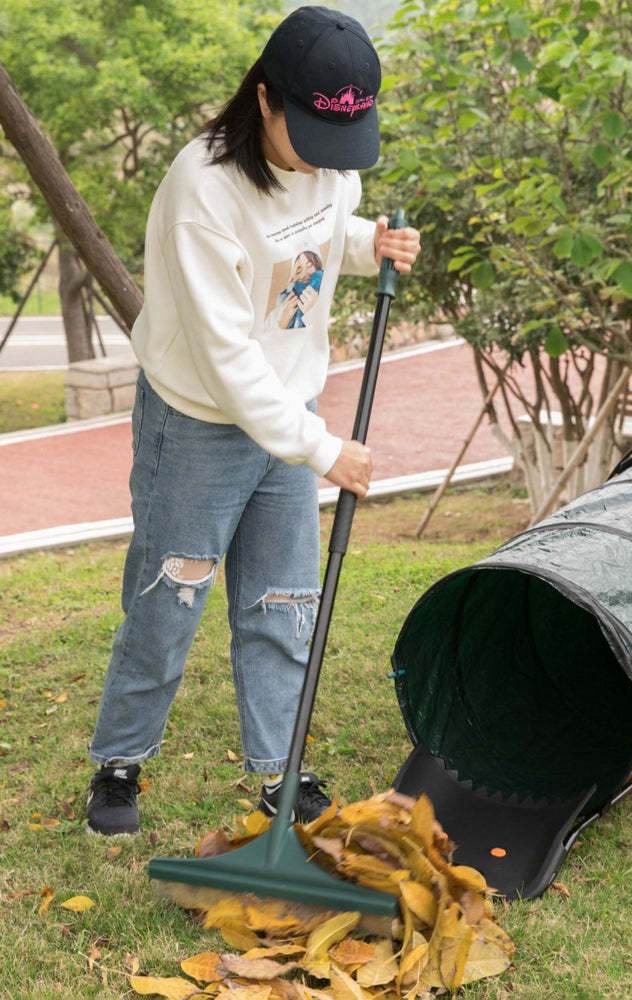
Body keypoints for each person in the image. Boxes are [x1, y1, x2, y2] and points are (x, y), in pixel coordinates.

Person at [85, 5, 421, 836]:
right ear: (265, 98)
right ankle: (119, 762)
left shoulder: (331, 159)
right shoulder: (202, 192)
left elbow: (302, 244)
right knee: (170, 600)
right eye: (307, 134)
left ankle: (280, 768)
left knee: (282, 602)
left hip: (289, 413)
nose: (324, 160)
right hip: (200, 423)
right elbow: (229, 358)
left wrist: (362, 242)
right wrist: (323, 450)